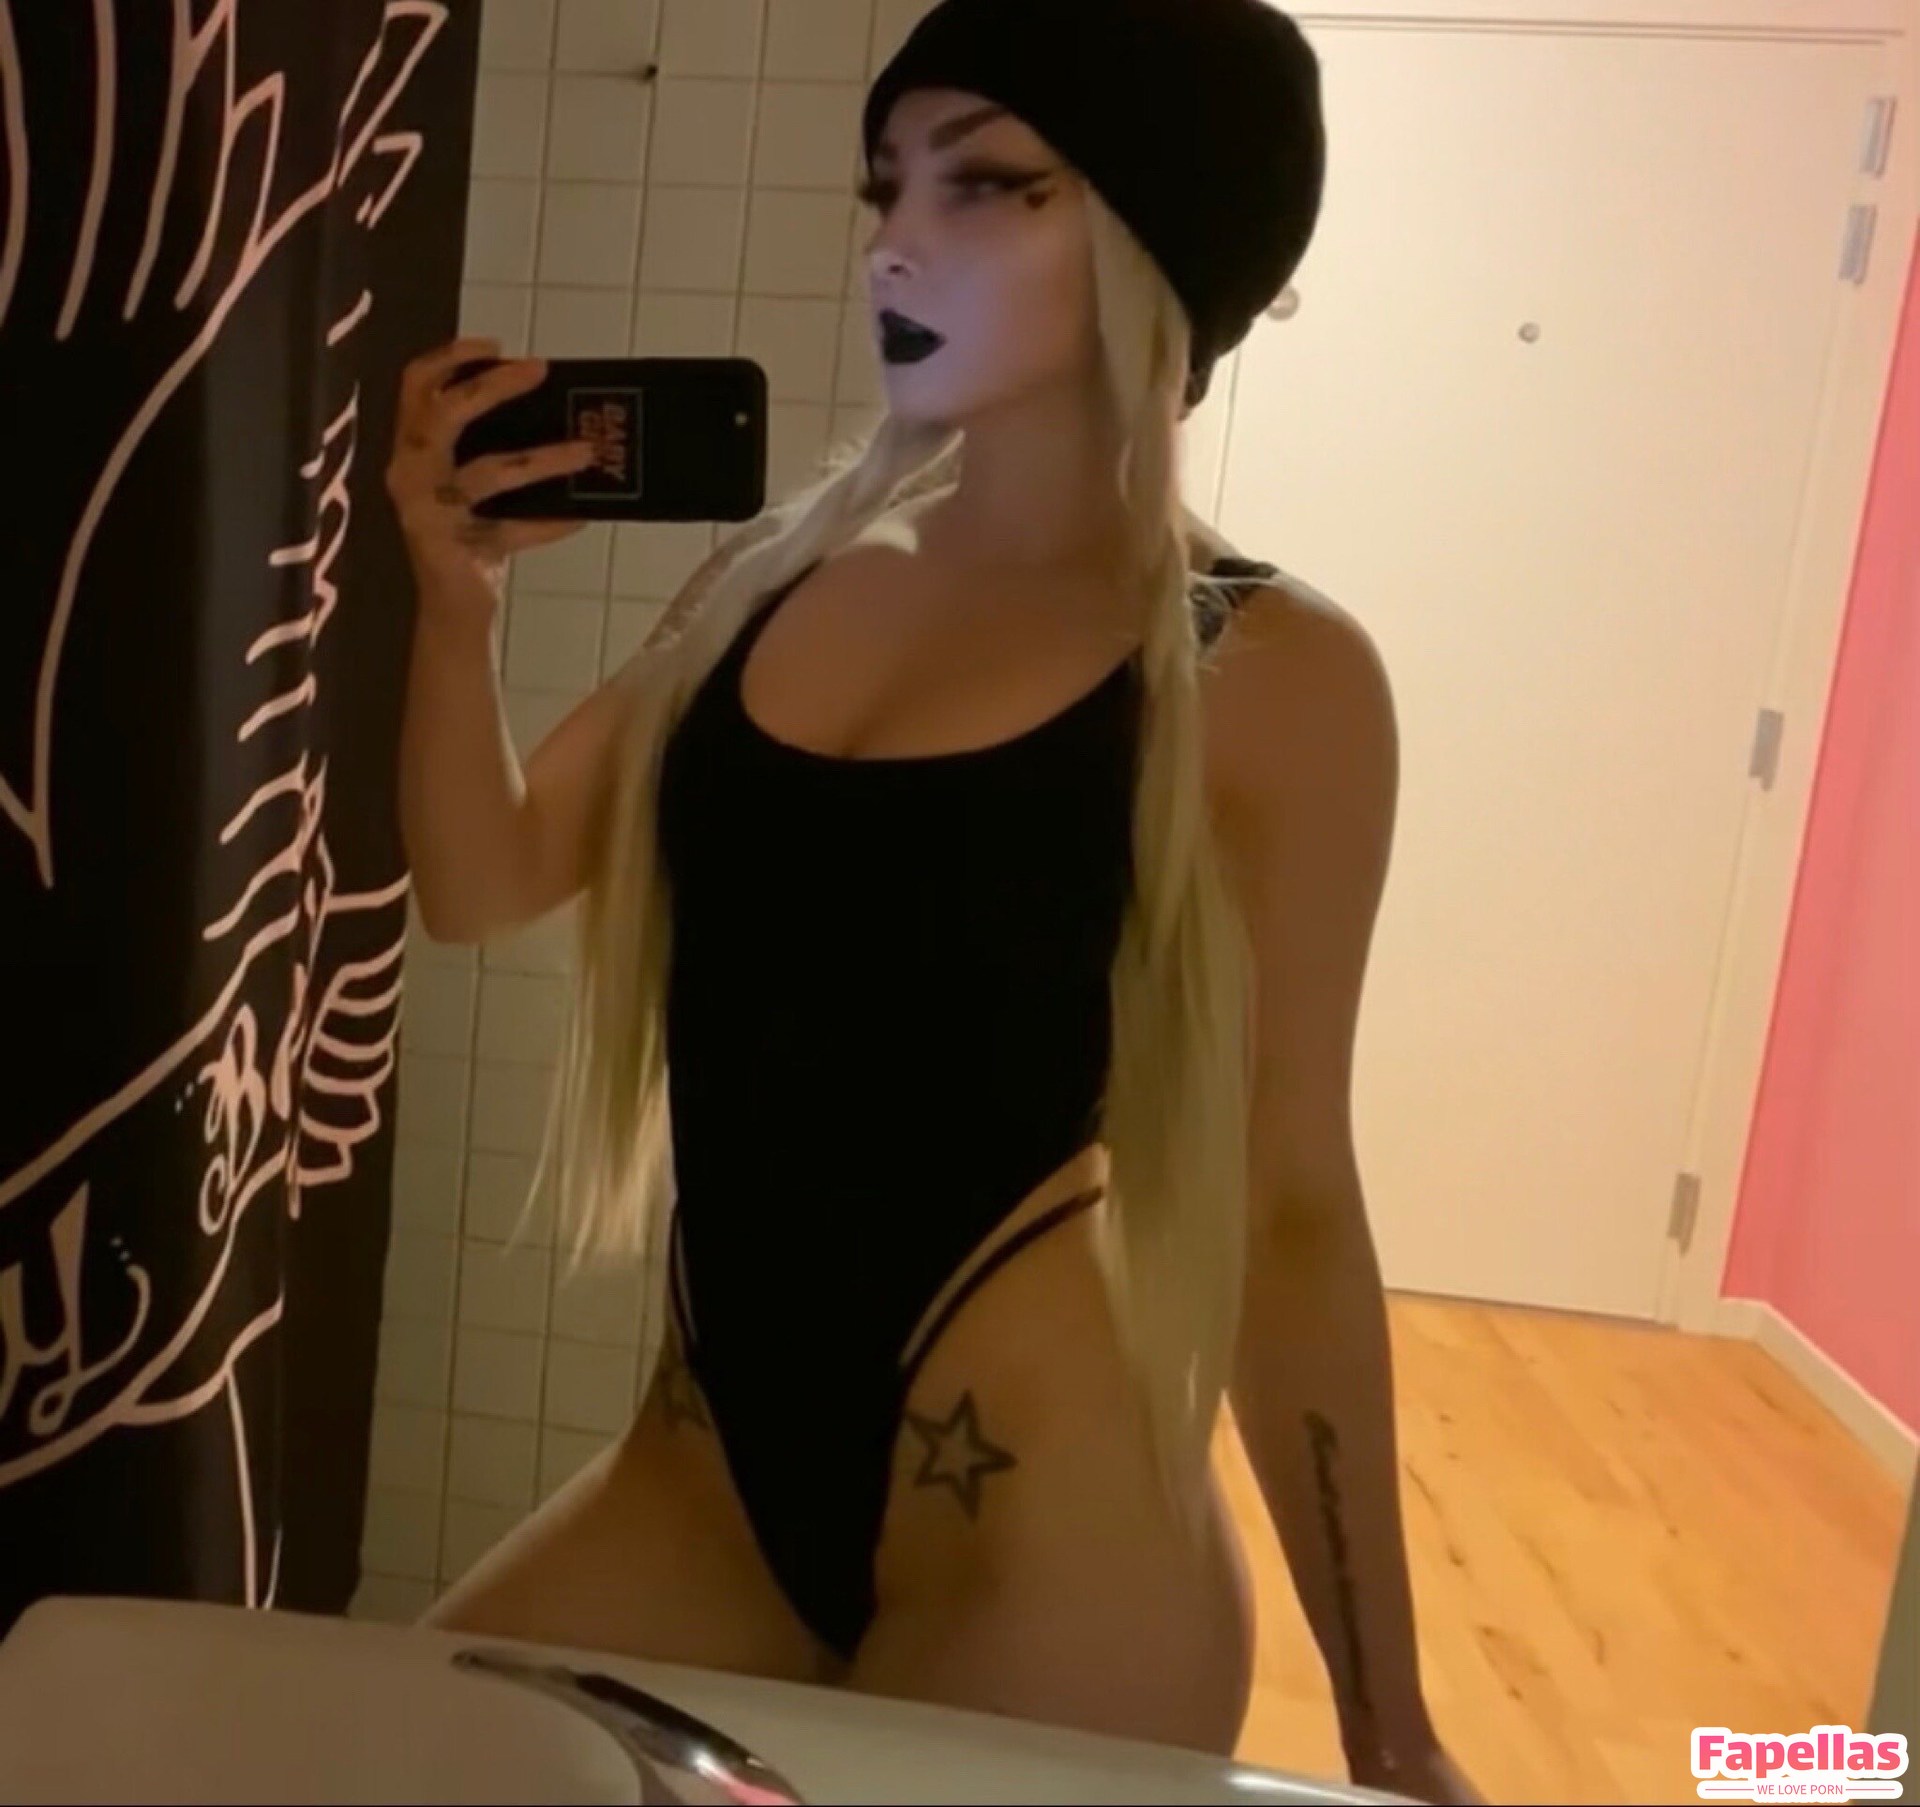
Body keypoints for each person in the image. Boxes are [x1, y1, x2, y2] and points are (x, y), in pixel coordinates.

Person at [387, 1, 1478, 1798]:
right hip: (705, 1497)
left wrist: (1390, 1721)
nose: (895, 239)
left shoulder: (1271, 674)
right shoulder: (771, 576)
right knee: (375, 1759)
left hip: (1054, 1560)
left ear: (1159, 241)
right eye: (885, 183)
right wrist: (455, 603)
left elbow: (1289, 1212)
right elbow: (480, 879)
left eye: (988, 184)